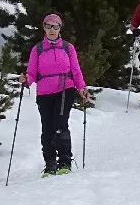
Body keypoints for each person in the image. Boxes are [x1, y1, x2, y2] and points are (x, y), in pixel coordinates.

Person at [23, 13, 90, 175]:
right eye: (48, 26)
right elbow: (31, 72)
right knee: (47, 127)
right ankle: (50, 164)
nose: (51, 30)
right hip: (44, 92)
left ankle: (65, 162)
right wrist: (26, 80)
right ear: (44, 27)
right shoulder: (38, 49)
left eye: (55, 26)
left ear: (60, 28)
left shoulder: (67, 47)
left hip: (65, 89)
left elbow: (76, 70)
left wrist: (82, 88)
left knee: (60, 123)